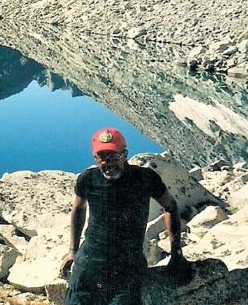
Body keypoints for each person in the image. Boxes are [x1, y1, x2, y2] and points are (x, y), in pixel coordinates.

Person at [59, 128, 189, 305]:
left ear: (124, 154)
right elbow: (78, 210)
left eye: (113, 155)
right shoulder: (88, 179)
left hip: (127, 266)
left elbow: (170, 206)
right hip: (89, 262)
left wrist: (176, 252)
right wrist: (72, 251)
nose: (107, 162)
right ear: (95, 159)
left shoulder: (145, 178)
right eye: (101, 157)